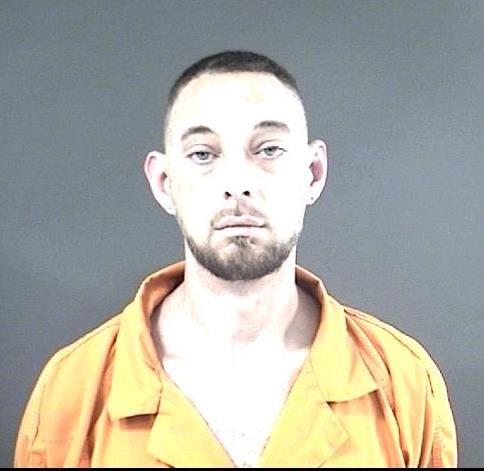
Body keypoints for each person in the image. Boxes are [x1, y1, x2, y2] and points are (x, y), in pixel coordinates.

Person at [14, 50, 457, 468]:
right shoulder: (72, 391)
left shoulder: (403, 381)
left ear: (312, 173)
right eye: (203, 154)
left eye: (268, 150)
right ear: (165, 183)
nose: (237, 181)